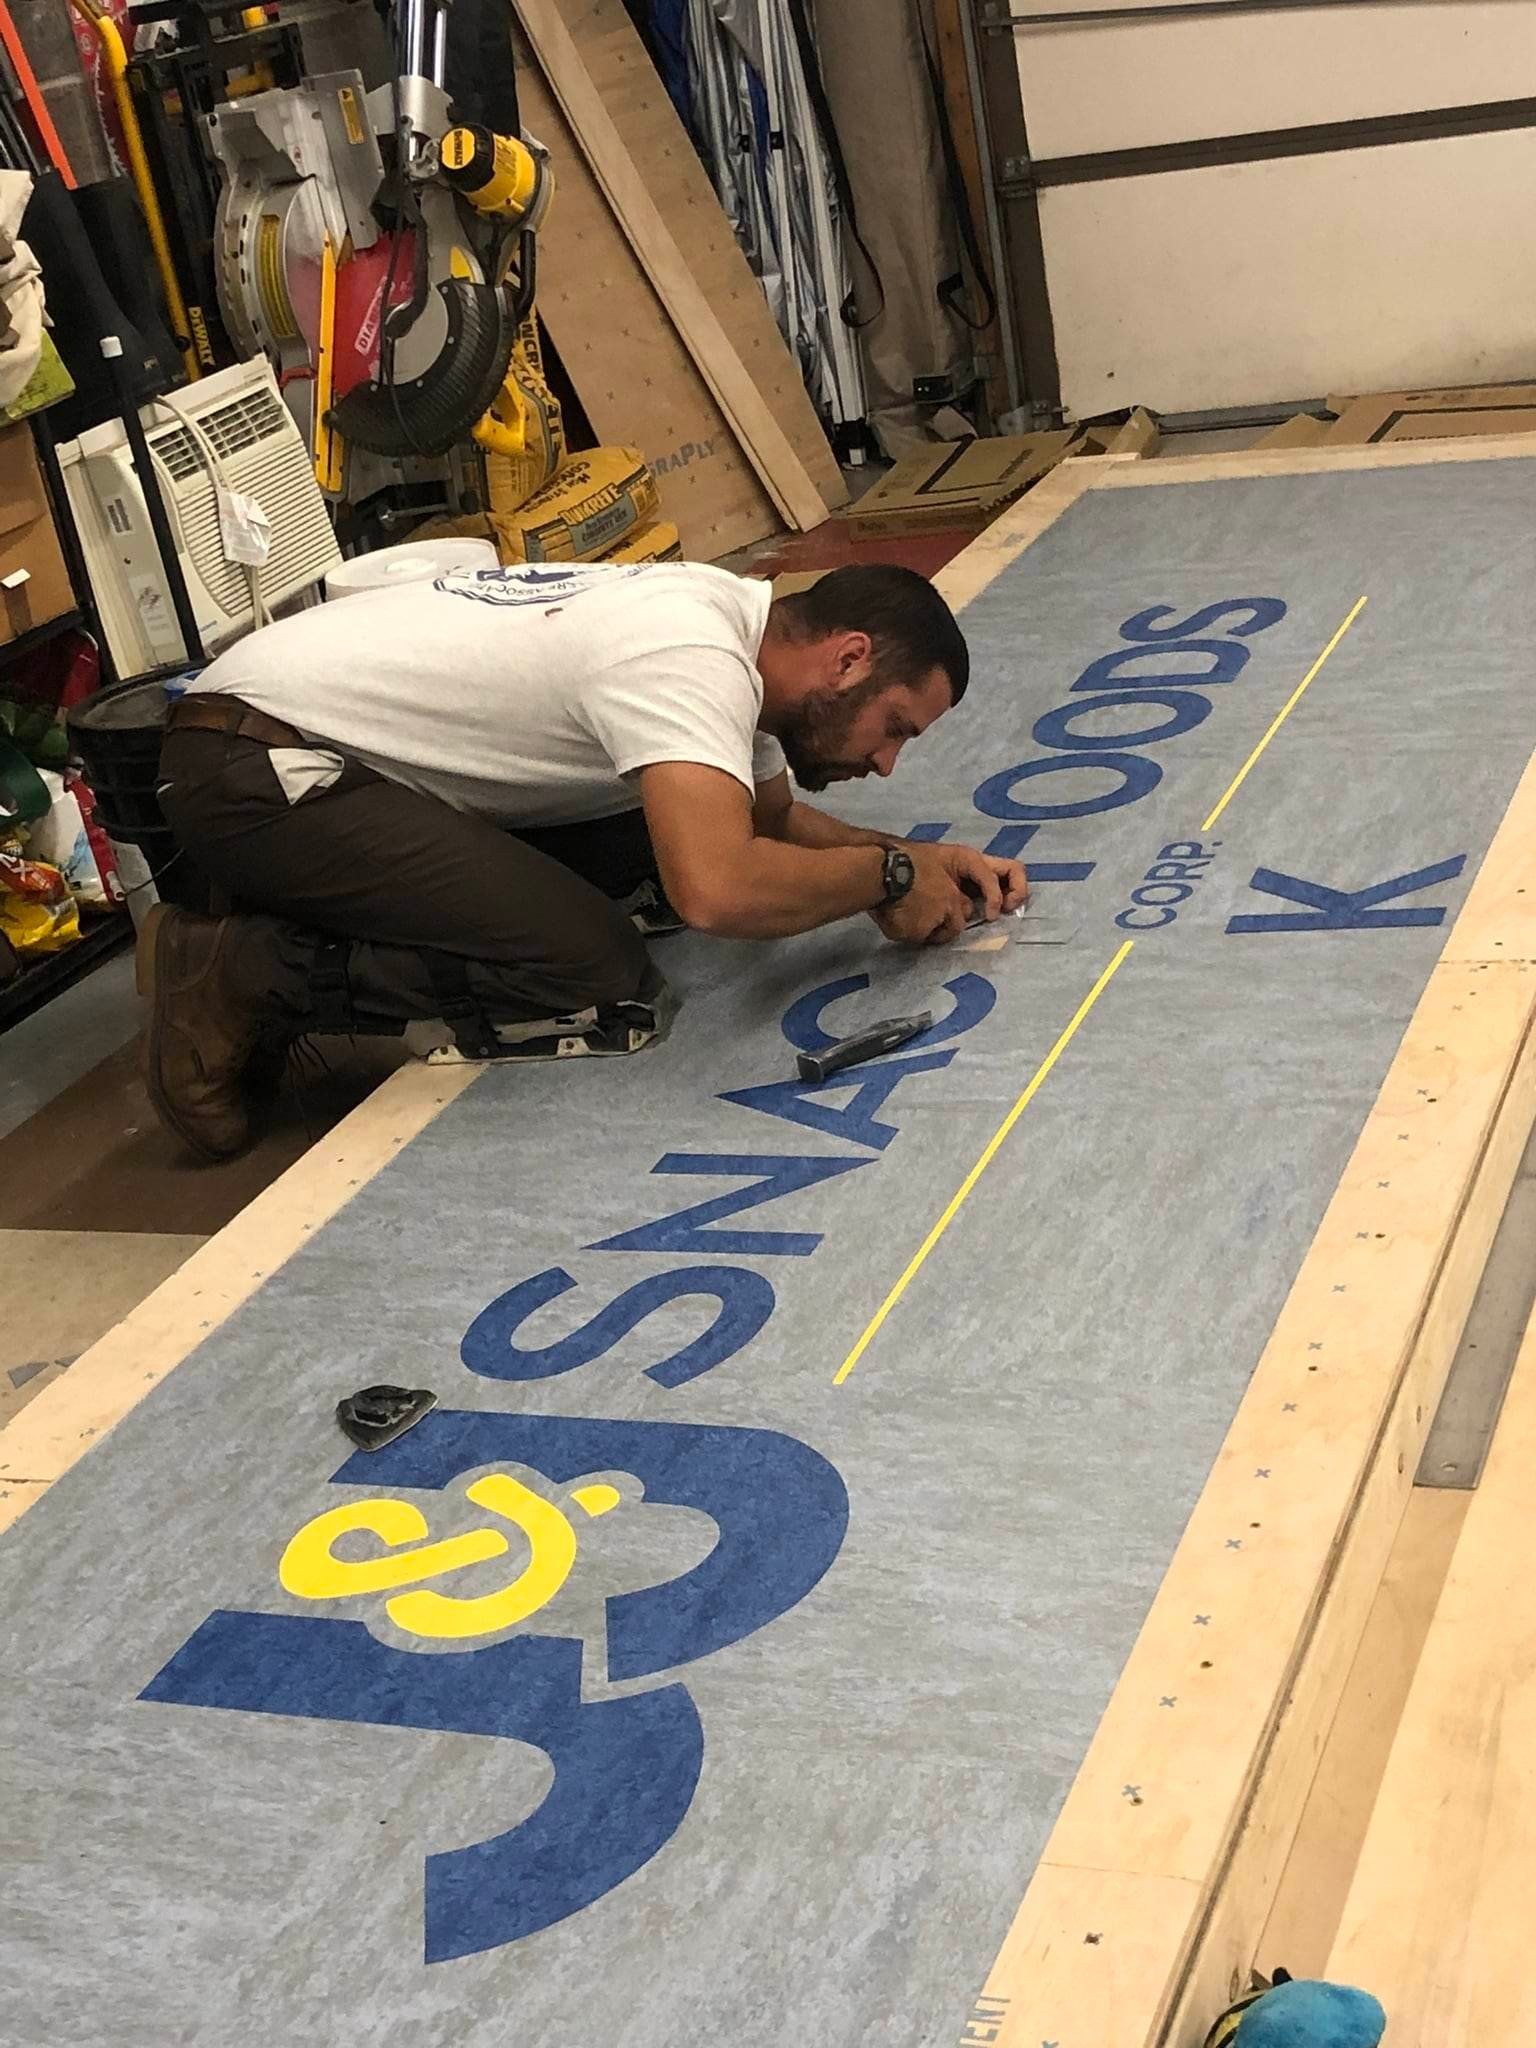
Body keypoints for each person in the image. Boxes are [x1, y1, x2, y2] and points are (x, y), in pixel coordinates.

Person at [143, 558, 1027, 1160]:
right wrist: (888, 878)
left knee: (657, 837)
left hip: (318, 748)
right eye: (895, 728)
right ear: (848, 660)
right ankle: (236, 970)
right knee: (591, 970)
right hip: (254, 770)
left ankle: (302, 913)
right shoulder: (686, 653)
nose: (885, 763)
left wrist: (914, 856)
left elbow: (770, 821)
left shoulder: (734, 630)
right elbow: (719, 888)